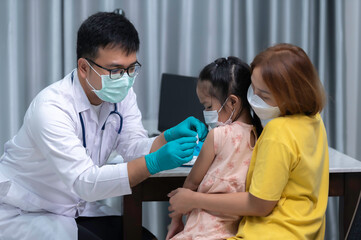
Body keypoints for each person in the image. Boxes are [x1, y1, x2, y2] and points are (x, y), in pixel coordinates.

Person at [0, 12, 207, 240]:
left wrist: (165, 138)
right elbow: (86, 182)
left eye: (131, 69)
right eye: (116, 70)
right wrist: (155, 162)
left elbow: (131, 147)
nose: (126, 79)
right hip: (26, 211)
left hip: (73, 207)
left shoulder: (122, 94)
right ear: (83, 68)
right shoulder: (51, 108)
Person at [167, 43, 329, 240]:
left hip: (269, 234)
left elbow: (259, 204)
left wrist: (194, 199)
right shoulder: (314, 121)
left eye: (264, 95)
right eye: (253, 89)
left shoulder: (277, 133)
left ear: (291, 95)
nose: (253, 99)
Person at [166, 57, 263, 240]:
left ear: (233, 102)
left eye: (208, 106)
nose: (206, 113)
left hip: (202, 230)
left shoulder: (218, 136)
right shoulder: (261, 136)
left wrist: (176, 219)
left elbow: (191, 184)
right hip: (235, 232)